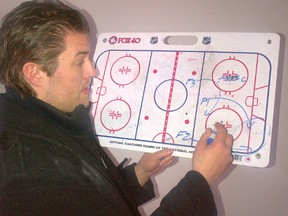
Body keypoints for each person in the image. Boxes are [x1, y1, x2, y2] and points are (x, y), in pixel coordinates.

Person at [0, 0, 233, 215]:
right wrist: (201, 179)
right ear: (35, 73)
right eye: (80, 61)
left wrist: (140, 173)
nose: (93, 72)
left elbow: (91, 199)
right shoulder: (28, 176)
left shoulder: (42, 118)